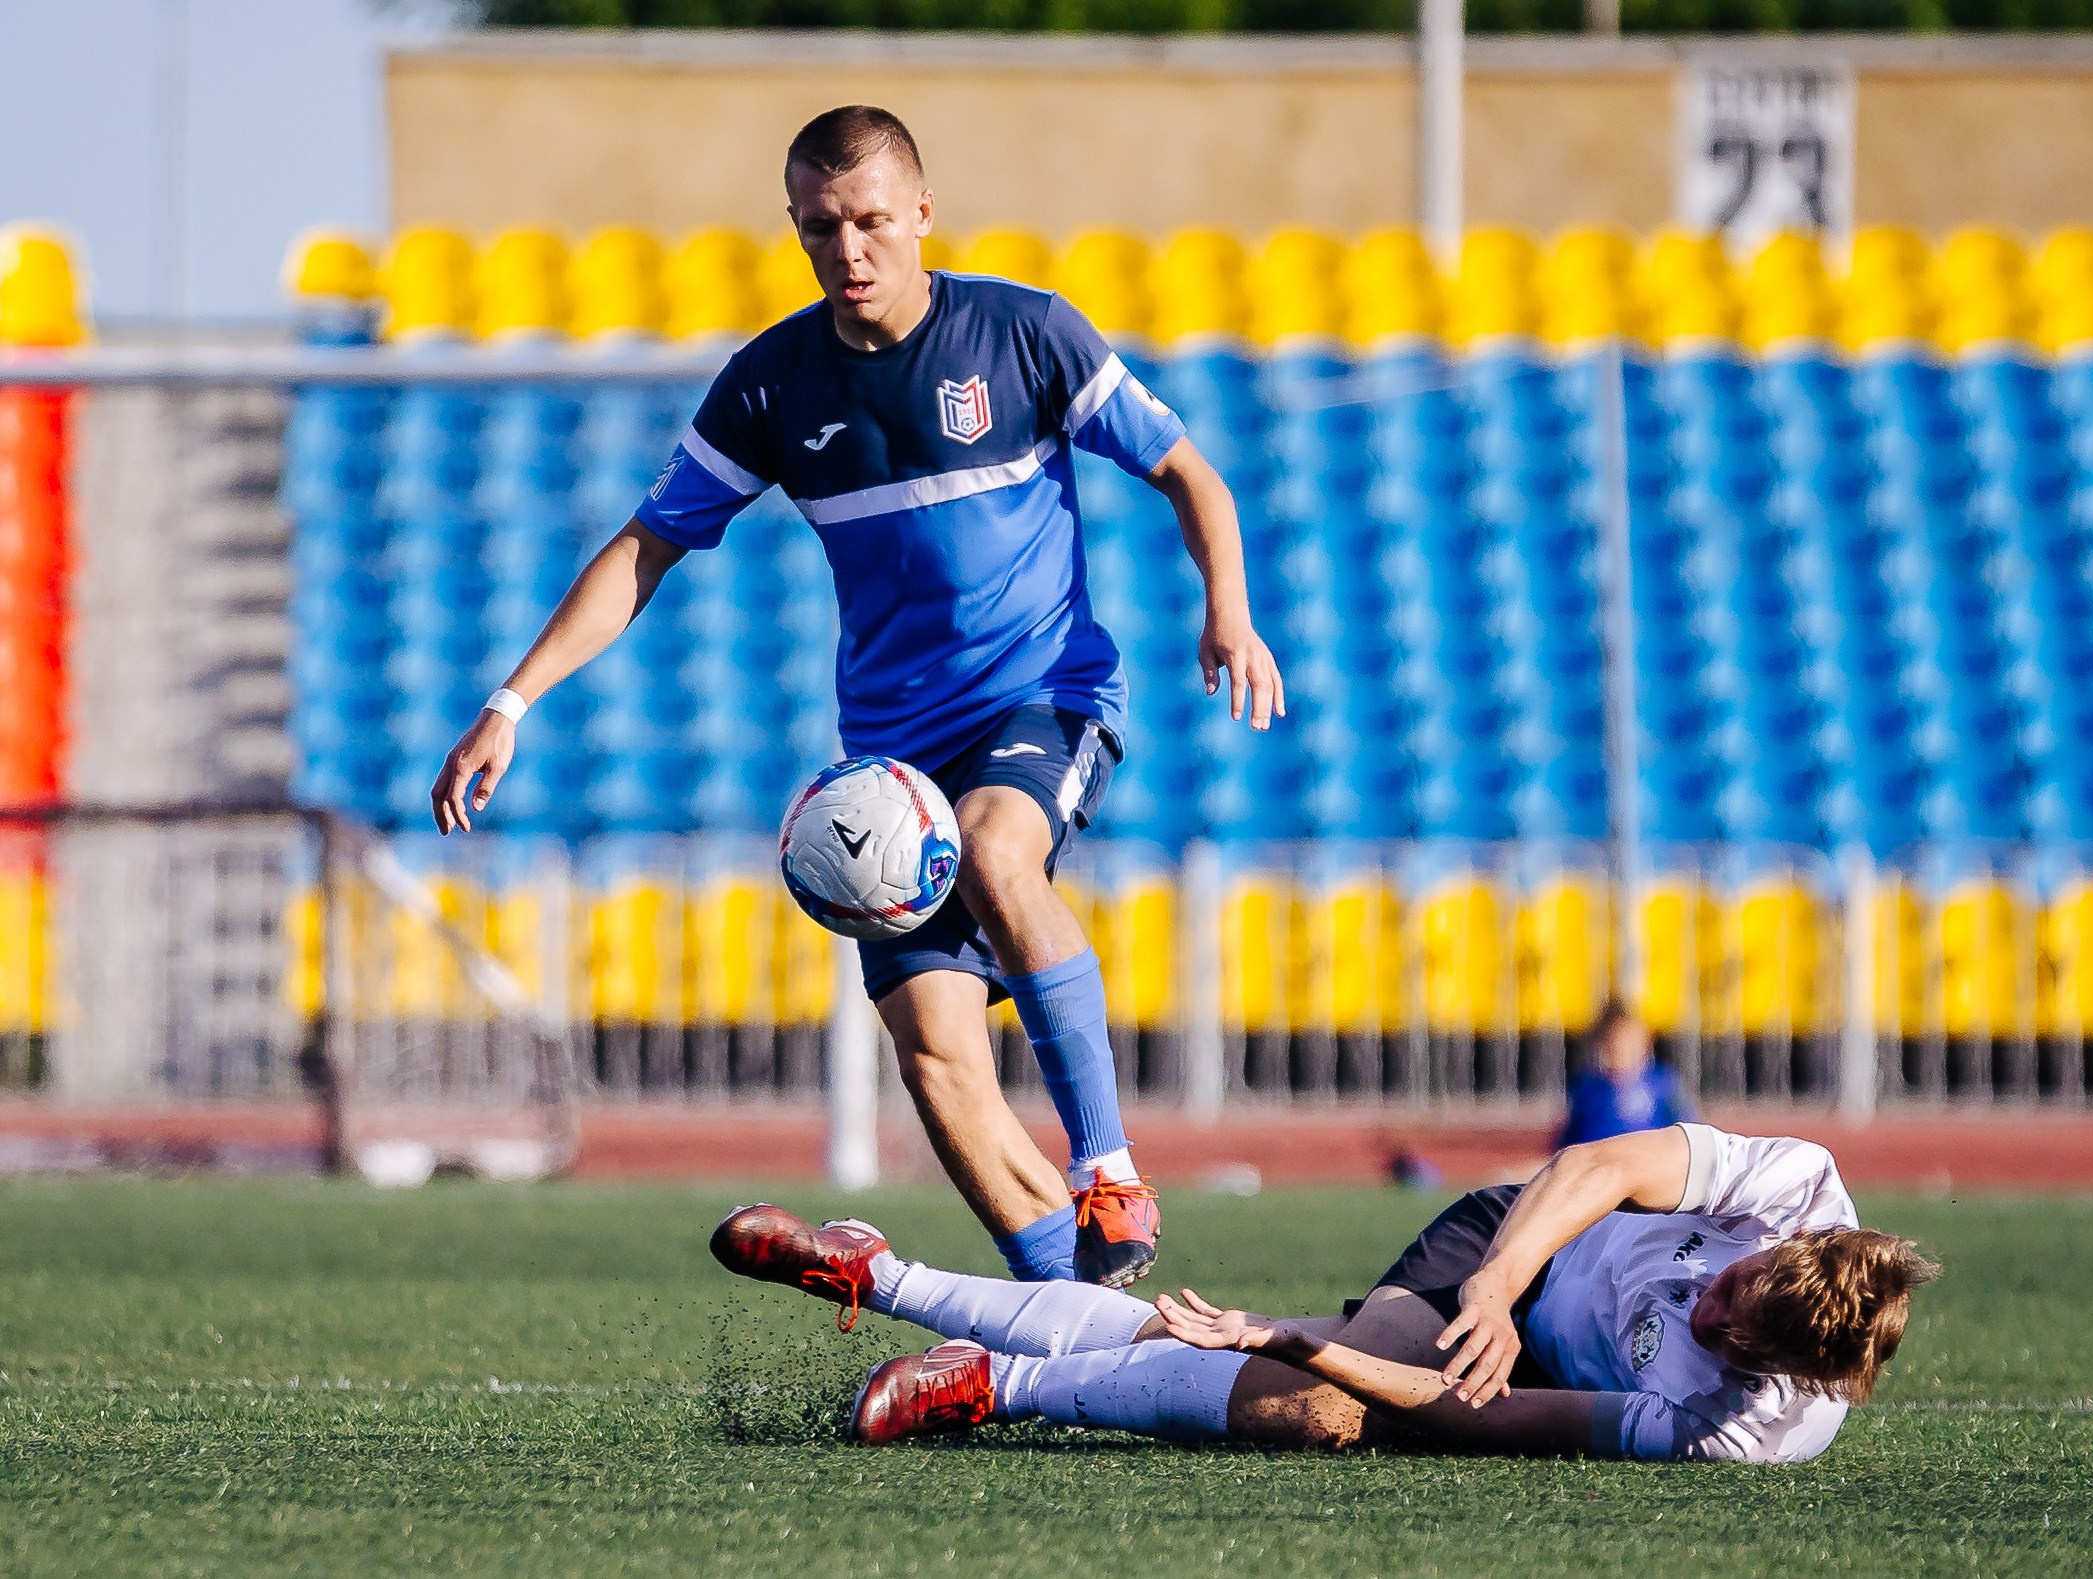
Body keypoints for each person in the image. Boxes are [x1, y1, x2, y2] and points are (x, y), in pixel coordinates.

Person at [430, 105, 1284, 1288]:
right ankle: (1072, 1317)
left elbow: (1188, 471)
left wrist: (1226, 610)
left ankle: (1107, 1167)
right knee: (935, 1054)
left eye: (872, 220)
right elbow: (647, 548)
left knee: (997, 851)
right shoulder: (772, 386)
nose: (850, 250)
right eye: (820, 227)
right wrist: (510, 702)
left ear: (923, 214)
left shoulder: (1024, 333)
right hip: (893, 763)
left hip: (1045, 694)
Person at [710, 1122, 1939, 1461]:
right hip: (1508, 1252)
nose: (1708, 1312)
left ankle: (925, 1316)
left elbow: (1476, 1414)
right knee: (1307, 1397)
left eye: (1727, 1333)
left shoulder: (1737, 1426)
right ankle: (919, 1300)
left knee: (1314, 1395)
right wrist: (1504, 1284)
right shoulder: (1794, 1186)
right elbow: (1601, 1167)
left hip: (1527, 1369)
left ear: (1773, 1369)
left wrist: (1294, 1338)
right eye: (1726, 1286)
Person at [1557, 999, 1694, 1147]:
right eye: (1615, 1046)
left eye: (1631, 1045)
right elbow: (1569, 1142)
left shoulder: (1663, 1084)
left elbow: (1688, 1134)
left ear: (1646, 1043)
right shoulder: (1587, 1088)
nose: (1623, 1053)